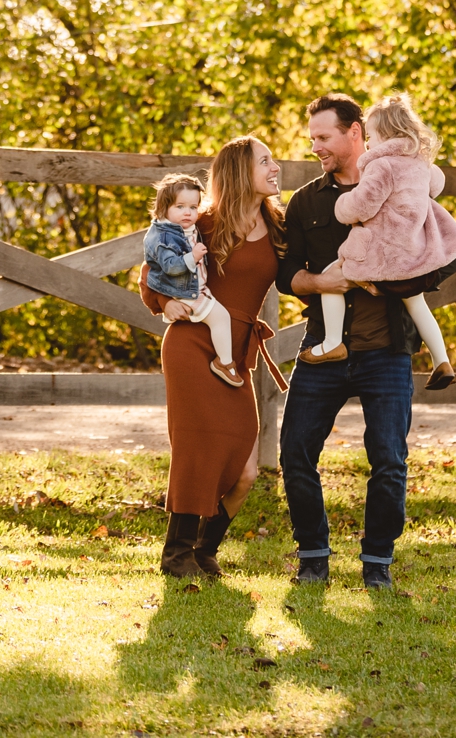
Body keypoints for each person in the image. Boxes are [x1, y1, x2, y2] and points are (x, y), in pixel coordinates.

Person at [277, 93, 422, 591]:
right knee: (295, 451)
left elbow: (438, 258)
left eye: (324, 137)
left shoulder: (403, 184)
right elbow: (286, 275)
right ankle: (313, 555)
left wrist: (386, 279)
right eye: (312, 137)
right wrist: (322, 283)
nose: (315, 145)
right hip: (323, 347)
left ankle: (377, 561)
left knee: (388, 458)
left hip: (386, 351)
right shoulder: (306, 202)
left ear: (356, 131)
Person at [140, 135, 288, 580]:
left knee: (245, 467)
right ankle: (176, 553)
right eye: (265, 160)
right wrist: (163, 304)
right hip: (191, 344)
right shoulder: (200, 222)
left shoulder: (279, 224)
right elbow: (152, 270)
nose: (275, 166)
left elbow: (301, 274)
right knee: (197, 448)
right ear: (242, 171)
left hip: (235, 354)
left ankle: (205, 550)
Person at [299, 95, 456, 387]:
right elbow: (435, 186)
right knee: (417, 306)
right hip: (412, 257)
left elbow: (361, 206)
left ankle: (331, 343)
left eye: (372, 136)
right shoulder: (420, 164)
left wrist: (341, 207)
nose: (368, 143)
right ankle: (441, 360)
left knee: (331, 278)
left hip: (382, 255)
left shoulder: (381, 166)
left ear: (386, 136)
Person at [143, 173, 241, 386]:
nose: (188, 212)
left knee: (220, 319)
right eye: (180, 207)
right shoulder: (163, 236)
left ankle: (224, 360)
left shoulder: (186, 226)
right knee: (220, 318)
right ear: (164, 208)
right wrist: (193, 256)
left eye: (193, 207)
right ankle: (225, 363)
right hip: (184, 293)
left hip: (195, 288)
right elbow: (169, 266)